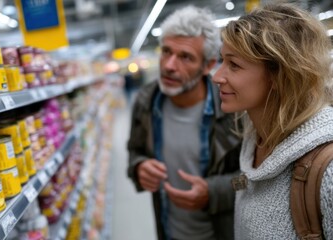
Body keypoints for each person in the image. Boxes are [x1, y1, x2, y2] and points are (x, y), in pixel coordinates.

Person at [212, 3, 333, 239]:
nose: (217, 76)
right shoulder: (254, 138)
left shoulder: (326, 170)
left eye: (234, 65)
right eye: (222, 61)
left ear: (280, 74)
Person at [127, 5, 241, 240]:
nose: (169, 65)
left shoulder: (234, 110)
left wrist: (212, 192)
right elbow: (134, 150)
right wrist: (139, 167)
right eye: (166, 51)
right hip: (168, 230)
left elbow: (252, 180)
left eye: (185, 57)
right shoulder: (145, 101)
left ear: (208, 66)